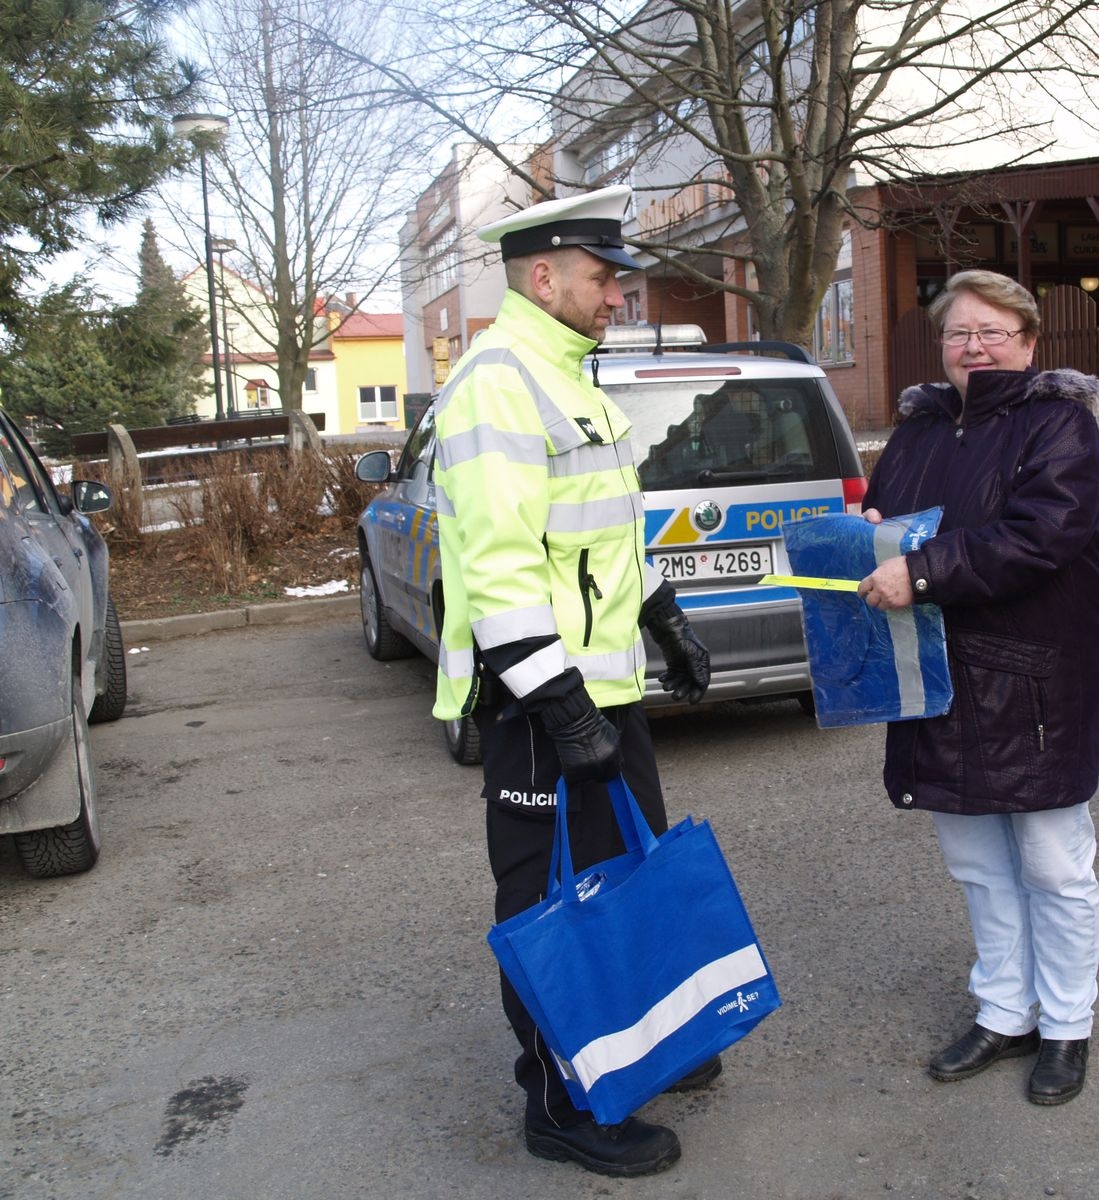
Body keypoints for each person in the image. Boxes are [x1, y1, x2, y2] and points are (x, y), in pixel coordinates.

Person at [430, 184, 715, 1178]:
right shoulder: (498, 382)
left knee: (625, 876)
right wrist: (559, 706)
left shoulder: (569, 371)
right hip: (539, 704)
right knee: (552, 901)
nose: (617, 298)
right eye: (602, 280)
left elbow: (595, 537)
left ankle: (635, 1044)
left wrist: (661, 616)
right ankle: (559, 1103)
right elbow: (501, 567)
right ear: (543, 274)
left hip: (605, 691)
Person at [857, 269, 1099, 1107]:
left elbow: (1041, 535)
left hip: (1034, 679)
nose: (972, 347)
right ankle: (1006, 1010)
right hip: (940, 673)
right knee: (976, 862)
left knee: (1051, 861)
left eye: (991, 332)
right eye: (958, 333)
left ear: (1029, 342)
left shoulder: (1059, 423)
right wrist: (867, 539)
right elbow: (895, 522)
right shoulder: (921, 431)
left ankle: (1066, 1025)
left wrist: (921, 570)